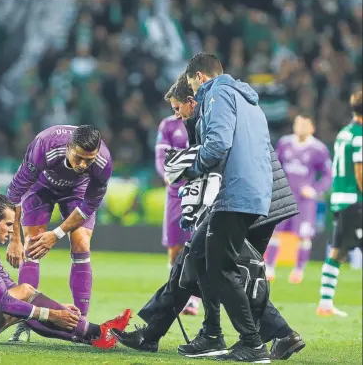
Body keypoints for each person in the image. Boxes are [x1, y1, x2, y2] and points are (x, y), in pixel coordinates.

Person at [112, 73, 305, 361]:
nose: (176, 116)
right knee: (204, 262)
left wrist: (192, 174)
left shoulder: (215, 113)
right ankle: (203, 334)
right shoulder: (230, 107)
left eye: (179, 108)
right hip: (258, 199)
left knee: (216, 267)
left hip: (248, 201)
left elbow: (215, 160)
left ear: (192, 99)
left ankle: (261, 335)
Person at [0, 185, 131, 347]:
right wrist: (52, 313)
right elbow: (6, 301)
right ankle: (97, 332)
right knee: (23, 300)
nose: (12, 231)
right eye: (9, 225)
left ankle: (93, 337)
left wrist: (55, 308)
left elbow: (12, 288)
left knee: (25, 300)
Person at [181, 53, 274, 362]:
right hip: (253, 188)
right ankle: (211, 335)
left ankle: (253, 343)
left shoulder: (217, 93)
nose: (192, 91)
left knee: (221, 267)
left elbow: (218, 144)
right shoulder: (249, 100)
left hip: (237, 191)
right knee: (202, 254)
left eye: (191, 84)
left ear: (200, 78)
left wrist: (189, 167)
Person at [4, 125, 112, 341]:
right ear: (68, 147)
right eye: (78, 157)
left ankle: (81, 325)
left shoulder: (103, 163)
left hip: (77, 192)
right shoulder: (45, 145)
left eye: (88, 160)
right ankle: (25, 322)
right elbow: (14, 193)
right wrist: (14, 239)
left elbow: (88, 206)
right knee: (32, 245)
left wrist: (57, 234)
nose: (82, 165)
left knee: (81, 243)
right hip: (40, 188)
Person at [265, 115, 332, 283]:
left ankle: (298, 270)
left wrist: (315, 190)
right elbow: (274, 165)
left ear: (312, 128)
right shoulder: (285, 143)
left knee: (304, 236)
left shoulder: (319, 149)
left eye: (304, 124)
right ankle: (270, 268)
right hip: (284, 196)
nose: (300, 127)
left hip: (304, 201)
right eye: (297, 123)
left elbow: (328, 175)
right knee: (274, 231)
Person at [316, 90, 363, 317]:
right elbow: (360, 170)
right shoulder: (360, 135)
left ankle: (325, 303)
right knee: (338, 251)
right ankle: (325, 303)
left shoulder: (345, 133)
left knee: (338, 250)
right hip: (355, 201)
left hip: (340, 199)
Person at [155, 108, 201, 315]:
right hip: (175, 192)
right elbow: (160, 156)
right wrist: (167, 174)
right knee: (175, 248)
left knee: (197, 245)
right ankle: (175, 293)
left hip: (200, 190)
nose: (175, 109)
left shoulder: (204, 121)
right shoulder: (168, 124)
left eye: (177, 104)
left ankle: (193, 300)